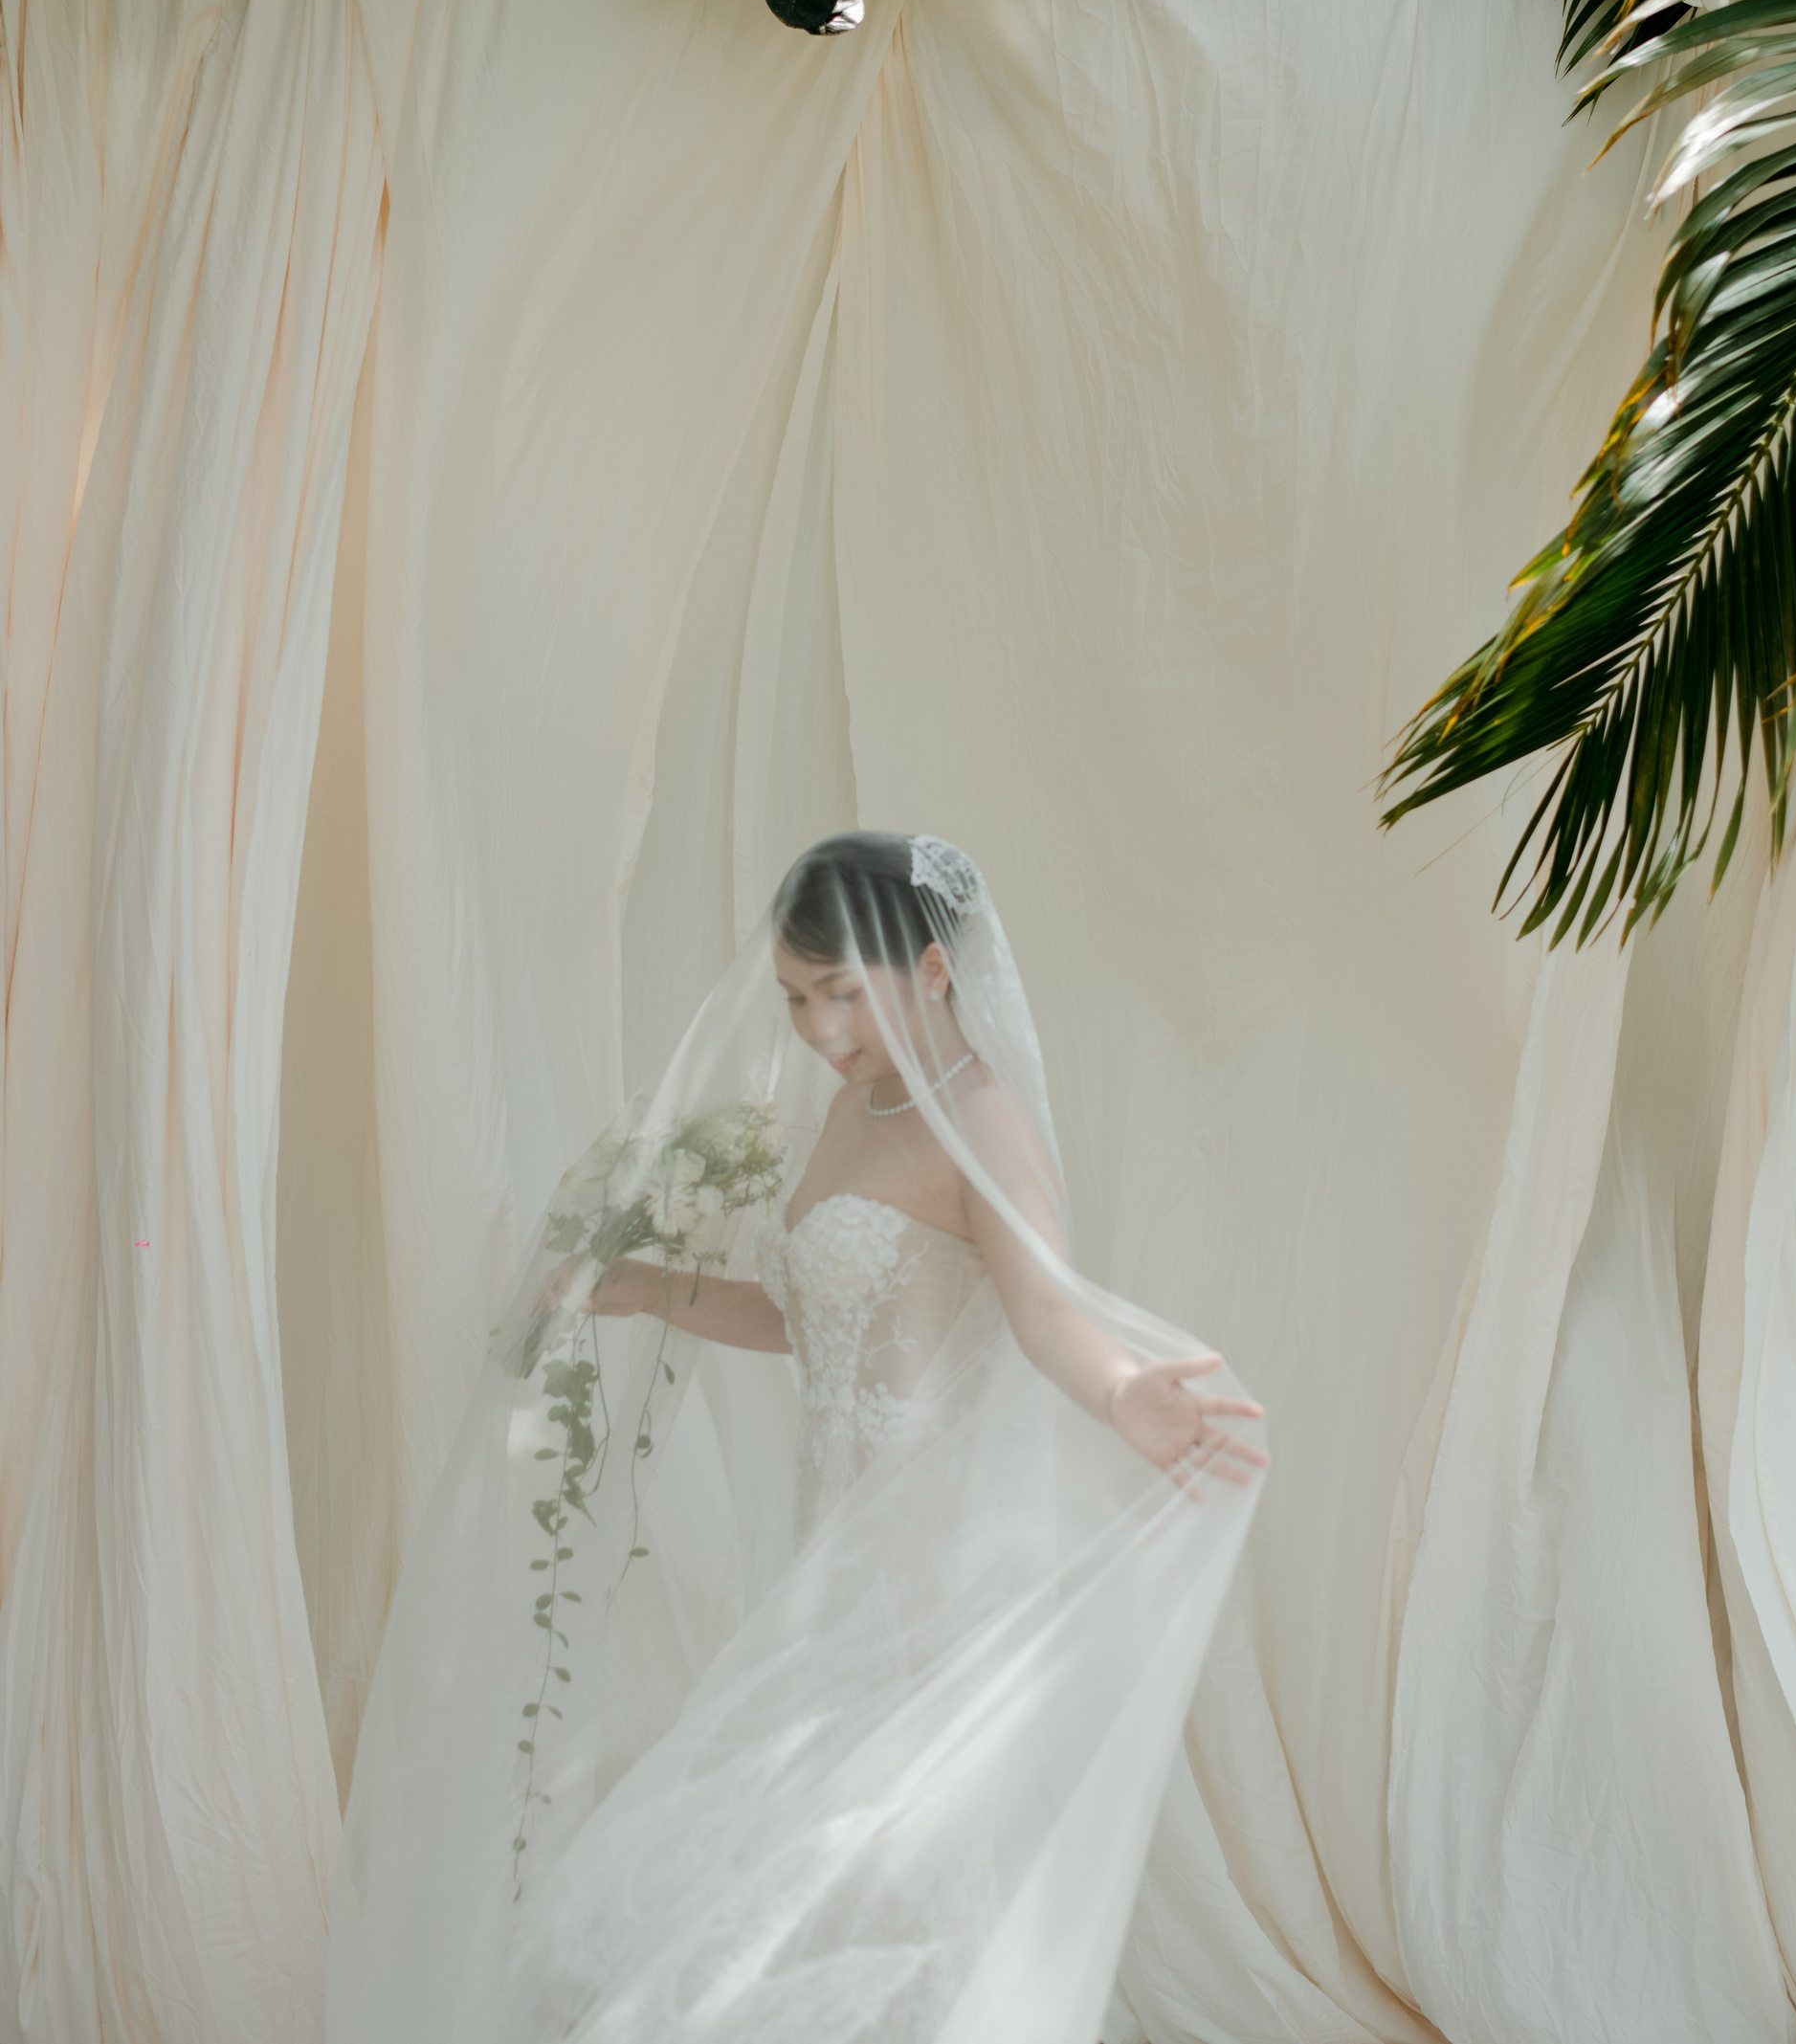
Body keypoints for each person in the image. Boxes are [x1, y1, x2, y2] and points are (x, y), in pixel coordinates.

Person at [327, 833, 1268, 2044]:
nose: (819, 1027)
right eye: (795, 998)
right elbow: (810, 1319)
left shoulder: (979, 1116)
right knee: (809, 1870)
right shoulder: (855, 1104)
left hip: (928, 1565)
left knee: (856, 1864)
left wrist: (1127, 1386)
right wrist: (645, 1286)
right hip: (833, 1551)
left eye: (842, 992)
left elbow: (1045, 1313)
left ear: (935, 971)